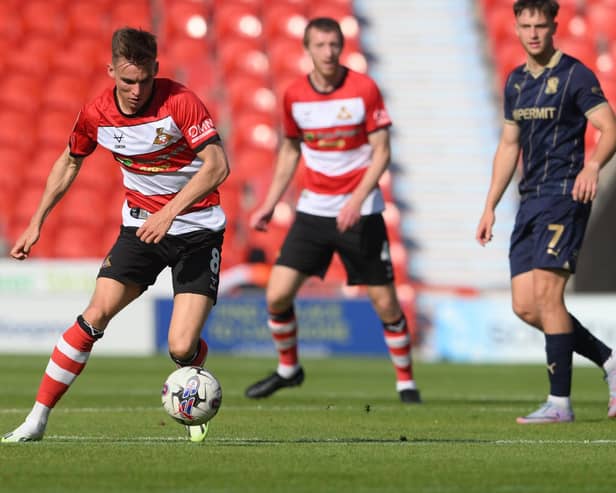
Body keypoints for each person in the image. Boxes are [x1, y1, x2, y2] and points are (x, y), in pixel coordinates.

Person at [2, 27, 230, 442]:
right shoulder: (96, 113)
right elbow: (70, 161)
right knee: (94, 315)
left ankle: (194, 384)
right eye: (127, 81)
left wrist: (170, 212)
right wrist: (37, 221)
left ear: (156, 71)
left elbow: (217, 166)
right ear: (111, 71)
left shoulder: (180, 102)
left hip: (198, 230)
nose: (137, 90)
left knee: (180, 347)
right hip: (140, 229)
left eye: (144, 80)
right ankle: (36, 420)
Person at [244, 17, 421, 404]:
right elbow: (290, 151)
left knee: (386, 303)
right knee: (276, 295)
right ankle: (289, 369)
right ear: (307, 50)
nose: (328, 53)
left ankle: (406, 383)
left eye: (333, 45)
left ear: (342, 48)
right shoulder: (294, 96)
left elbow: (382, 153)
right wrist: (270, 204)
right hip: (312, 212)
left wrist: (356, 201)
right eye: (320, 46)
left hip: (362, 213)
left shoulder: (363, 89)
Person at [476, 0, 616, 423]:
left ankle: (559, 404)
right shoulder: (516, 81)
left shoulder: (576, 74)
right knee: (525, 306)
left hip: (564, 195)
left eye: (540, 25)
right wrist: (489, 206)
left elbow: (609, 128)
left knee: (547, 296)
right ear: (516, 29)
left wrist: (592, 166)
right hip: (529, 198)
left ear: (554, 26)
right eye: (525, 26)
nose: (533, 33)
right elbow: (508, 146)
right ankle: (610, 361)